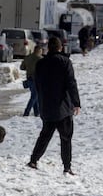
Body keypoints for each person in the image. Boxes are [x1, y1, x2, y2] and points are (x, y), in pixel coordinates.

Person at [28, 36, 81, 174]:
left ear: (48, 48)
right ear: (60, 47)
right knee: (66, 138)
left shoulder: (41, 63)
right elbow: (71, 83)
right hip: (63, 106)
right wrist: (76, 103)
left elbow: (37, 84)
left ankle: (33, 160)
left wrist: (41, 100)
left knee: (45, 135)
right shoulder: (65, 62)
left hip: (47, 105)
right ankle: (67, 166)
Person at [21, 46, 43, 117]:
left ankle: (37, 112)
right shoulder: (40, 59)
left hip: (29, 79)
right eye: (41, 51)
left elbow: (22, 67)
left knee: (35, 96)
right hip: (36, 80)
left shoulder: (27, 57)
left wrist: (28, 67)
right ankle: (26, 112)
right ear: (39, 50)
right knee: (34, 97)